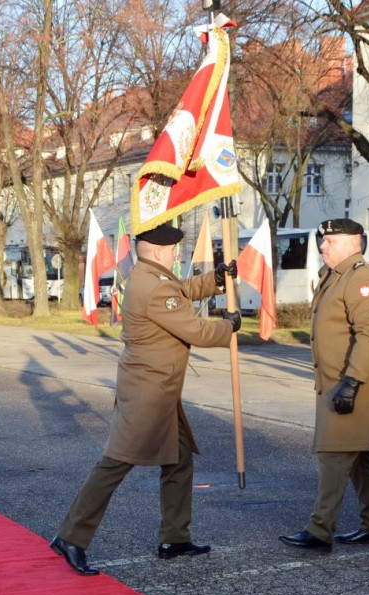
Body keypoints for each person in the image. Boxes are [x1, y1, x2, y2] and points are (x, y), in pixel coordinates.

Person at [50, 221, 241, 575]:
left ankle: (175, 538)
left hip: (157, 389)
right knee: (115, 464)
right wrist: (229, 326)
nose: (175, 254)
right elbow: (196, 330)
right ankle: (71, 537)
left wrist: (215, 279)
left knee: (180, 459)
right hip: (149, 394)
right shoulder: (154, 287)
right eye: (172, 250)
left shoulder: (148, 277)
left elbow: (181, 291)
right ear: (157, 251)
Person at [279, 219, 369, 552]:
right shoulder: (336, 276)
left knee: (333, 453)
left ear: (353, 243)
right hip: (337, 382)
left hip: (353, 384)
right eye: (323, 240)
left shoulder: (362, 280)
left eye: (330, 241)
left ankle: (319, 530)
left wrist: (352, 382)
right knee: (359, 456)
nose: (323, 246)